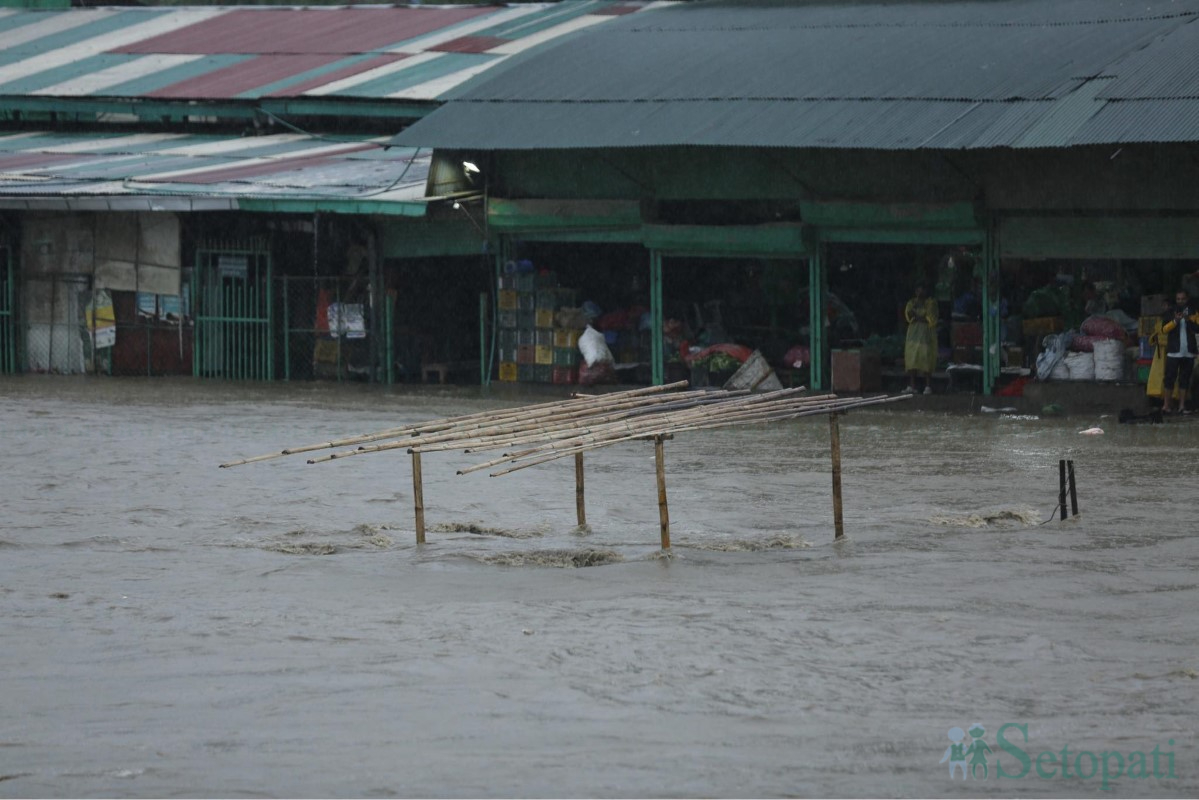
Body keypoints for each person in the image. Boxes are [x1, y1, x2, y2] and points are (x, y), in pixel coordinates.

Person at [1160, 289, 1199, 414]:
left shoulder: (1193, 312)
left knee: (1185, 379)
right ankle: (1166, 406)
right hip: (1173, 352)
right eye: (1178, 299)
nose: (1180, 301)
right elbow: (1164, 330)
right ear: (1176, 300)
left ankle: (1182, 406)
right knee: (1169, 378)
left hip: (1188, 352)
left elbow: (1197, 328)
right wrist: (1175, 321)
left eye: (1183, 299)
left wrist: (1189, 319)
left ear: (1187, 299)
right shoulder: (1170, 312)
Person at [903, 283, 938, 394]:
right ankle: (912, 386)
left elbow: (930, 318)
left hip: (926, 335)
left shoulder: (931, 302)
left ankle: (928, 386)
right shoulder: (911, 302)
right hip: (913, 335)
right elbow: (909, 316)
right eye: (918, 290)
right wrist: (920, 316)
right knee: (911, 359)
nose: (920, 293)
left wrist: (917, 316)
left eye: (922, 290)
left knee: (926, 359)